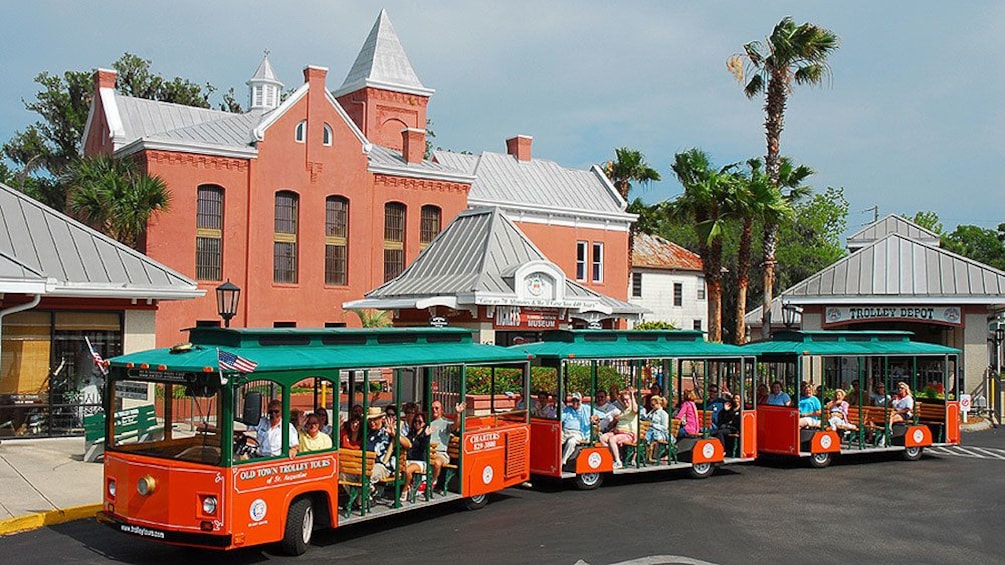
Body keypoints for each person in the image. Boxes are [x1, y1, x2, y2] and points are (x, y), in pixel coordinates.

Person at [365, 407, 411, 488]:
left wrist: (394, 434)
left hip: (382, 466)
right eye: (370, 420)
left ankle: (364, 496)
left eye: (375, 420)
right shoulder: (367, 432)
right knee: (345, 475)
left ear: (381, 419)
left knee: (370, 475)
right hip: (366, 464)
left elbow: (408, 444)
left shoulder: (388, 430)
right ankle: (365, 495)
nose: (372, 422)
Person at [428, 400, 466, 489]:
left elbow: (455, 425)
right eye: (432, 408)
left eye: (437, 408)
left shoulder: (445, 422)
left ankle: (432, 483)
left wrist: (458, 414)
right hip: (428, 453)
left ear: (442, 410)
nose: (434, 410)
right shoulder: (427, 423)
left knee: (437, 463)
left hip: (440, 453)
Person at [599, 389, 639, 469]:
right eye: (623, 400)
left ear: (631, 399)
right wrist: (616, 395)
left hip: (628, 434)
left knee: (612, 440)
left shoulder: (632, 410)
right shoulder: (624, 410)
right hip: (617, 432)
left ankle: (618, 461)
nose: (625, 402)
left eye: (627, 400)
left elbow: (635, 409)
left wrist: (631, 394)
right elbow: (621, 401)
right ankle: (611, 457)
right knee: (602, 438)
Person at [560, 392, 598, 466]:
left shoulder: (586, 408)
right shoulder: (568, 409)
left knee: (571, 441)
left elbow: (601, 415)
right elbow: (561, 418)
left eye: (577, 401)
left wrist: (595, 417)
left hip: (578, 433)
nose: (575, 402)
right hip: (565, 432)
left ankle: (562, 462)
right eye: (573, 400)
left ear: (581, 401)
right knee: (556, 439)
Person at [401, 412, 431, 503]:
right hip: (408, 460)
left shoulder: (425, 435)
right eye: (415, 421)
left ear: (424, 423)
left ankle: (404, 490)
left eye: (420, 421)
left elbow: (424, 447)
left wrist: (426, 436)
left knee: (407, 470)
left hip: (420, 462)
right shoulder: (411, 434)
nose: (417, 423)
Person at [644, 396, 670, 462]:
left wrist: (653, 425)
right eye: (651, 404)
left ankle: (650, 455)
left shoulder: (663, 414)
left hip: (661, 433)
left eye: (653, 405)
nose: (652, 406)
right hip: (650, 430)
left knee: (650, 434)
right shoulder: (651, 412)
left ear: (659, 404)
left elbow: (665, 427)